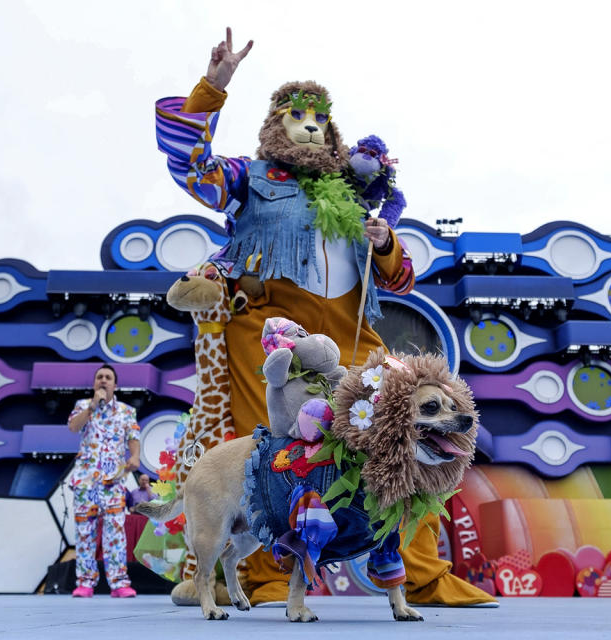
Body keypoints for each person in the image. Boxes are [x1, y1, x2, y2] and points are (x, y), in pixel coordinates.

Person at [154, 27, 495, 607]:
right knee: (267, 451)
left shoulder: (355, 194)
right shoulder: (250, 178)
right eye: (295, 114)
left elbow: (399, 280)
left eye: (318, 116)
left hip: (353, 330)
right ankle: (260, 578)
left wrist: (386, 240)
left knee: (408, 435)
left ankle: (422, 577)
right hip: (271, 332)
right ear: (273, 128)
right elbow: (190, 167)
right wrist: (213, 88)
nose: (309, 124)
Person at [67, 364, 140, 598]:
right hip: (86, 481)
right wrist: (90, 406)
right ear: (94, 384)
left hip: (114, 480)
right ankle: (85, 582)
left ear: (115, 385)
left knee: (115, 531)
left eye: (108, 377)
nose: (103, 380)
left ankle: (119, 583)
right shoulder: (82, 406)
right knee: (85, 531)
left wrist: (135, 457)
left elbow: (133, 437)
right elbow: (73, 427)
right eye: (99, 377)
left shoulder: (126, 411)